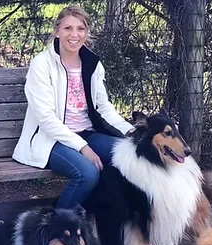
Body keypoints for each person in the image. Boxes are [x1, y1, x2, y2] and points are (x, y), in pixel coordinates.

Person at [13, 5, 134, 209]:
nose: (74, 35)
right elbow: (46, 118)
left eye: (80, 28)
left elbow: (103, 107)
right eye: (68, 28)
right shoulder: (42, 65)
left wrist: (130, 131)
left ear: (86, 33)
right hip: (50, 139)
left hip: (87, 133)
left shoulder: (92, 64)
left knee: (130, 156)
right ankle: (55, 227)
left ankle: (99, 219)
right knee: (87, 174)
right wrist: (82, 147)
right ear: (57, 31)